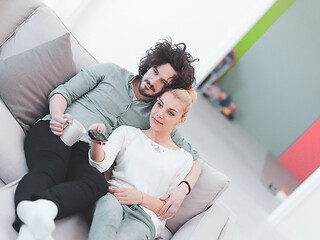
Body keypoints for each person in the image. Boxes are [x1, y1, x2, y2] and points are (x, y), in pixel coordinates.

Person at [13, 39, 202, 240]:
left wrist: (183, 188)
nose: (154, 81)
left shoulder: (158, 114)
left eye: (164, 82)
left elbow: (195, 160)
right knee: (52, 167)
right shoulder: (111, 72)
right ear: (149, 64)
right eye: (155, 71)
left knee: (97, 185)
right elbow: (62, 92)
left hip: (85, 153)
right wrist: (57, 115)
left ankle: (42, 211)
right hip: (58, 131)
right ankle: (28, 220)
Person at [88, 88, 197, 239]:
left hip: (144, 218)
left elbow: (165, 210)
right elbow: (100, 164)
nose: (160, 114)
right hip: (112, 199)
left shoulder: (184, 159)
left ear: (181, 120)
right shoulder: (126, 132)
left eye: (170, 113)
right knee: (106, 221)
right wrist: (96, 143)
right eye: (159, 105)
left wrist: (139, 197)